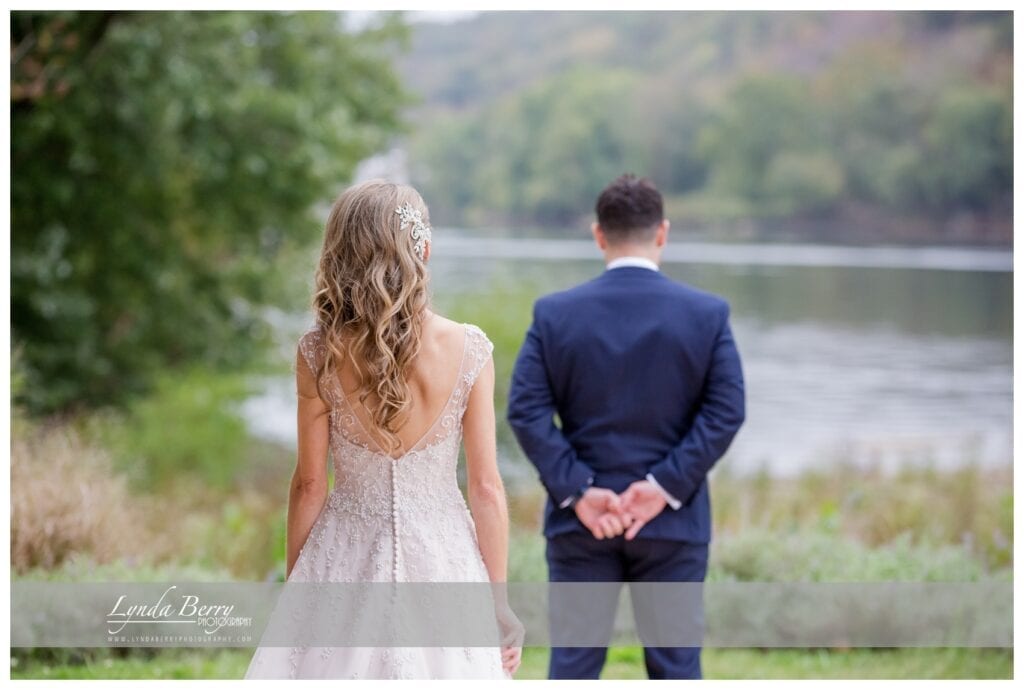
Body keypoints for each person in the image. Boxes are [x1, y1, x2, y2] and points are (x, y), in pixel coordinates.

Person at [245, 179, 522, 679]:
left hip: (343, 556)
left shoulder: (318, 352)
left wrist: (298, 586)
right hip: (444, 558)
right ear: (425, 251)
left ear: (340, 254)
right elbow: (485, 487)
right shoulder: (471, 350)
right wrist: (499, 603)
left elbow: (310, 483)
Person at [507, 173, 746, 679]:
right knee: (677, 669)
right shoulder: (707, 314)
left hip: (581, 523)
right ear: (662, 232)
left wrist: (579, 490)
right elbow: (727, 410)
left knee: (572, 668)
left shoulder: (554, 314)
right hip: (673, 526)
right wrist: (662, 487)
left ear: (599, 235)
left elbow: (525, 410)